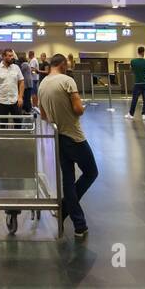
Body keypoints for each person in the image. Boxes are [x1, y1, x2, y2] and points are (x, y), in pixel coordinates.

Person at [37, 54, 98, 238]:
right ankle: (66, 209)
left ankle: (79, 224)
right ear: (62, 64)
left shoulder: (42, 84)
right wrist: (82, 107)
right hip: (74, 137)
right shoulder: (67, 81)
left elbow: (43, 115)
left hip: (58, 137)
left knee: (68, 180)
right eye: (67, 65)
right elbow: (78, 109)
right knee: (91, 172)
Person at [0, 48, 24, 116]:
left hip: (15, 101)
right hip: (1, 101)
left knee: (18, 123)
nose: (12, 57)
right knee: (3, 124)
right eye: (10, 56)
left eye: (12, 55)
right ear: (3, 57)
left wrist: (20, 97)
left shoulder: (16, 68)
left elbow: (21, 82)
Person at [126, 45, 145, 121]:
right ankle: (144, 115)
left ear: (138, 52)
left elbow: (131, 69)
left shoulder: (133, 61)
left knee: (134, 99)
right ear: (143, 52)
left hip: (137, 83)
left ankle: (131, 114)